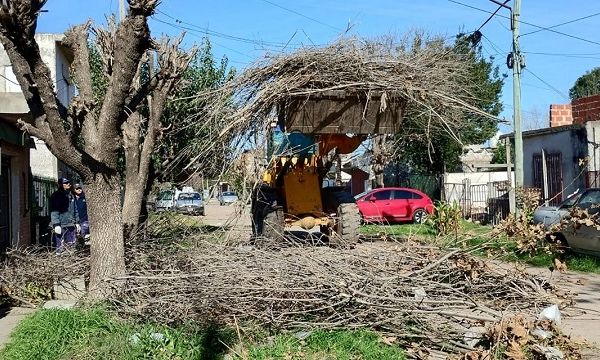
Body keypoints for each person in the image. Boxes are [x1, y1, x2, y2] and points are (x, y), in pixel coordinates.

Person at [49, 177, 79, 251]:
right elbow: (54, 210)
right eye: (65, 183)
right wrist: (56, 224)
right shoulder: (56, 196)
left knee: (71, 246)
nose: (68, 184)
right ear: (60, 185)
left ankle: (71, 260)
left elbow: (75, 209)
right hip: (61, 225)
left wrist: (77, 222)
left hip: (71, 225)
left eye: (68, 182)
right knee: (60, 247)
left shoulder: (71, 195)